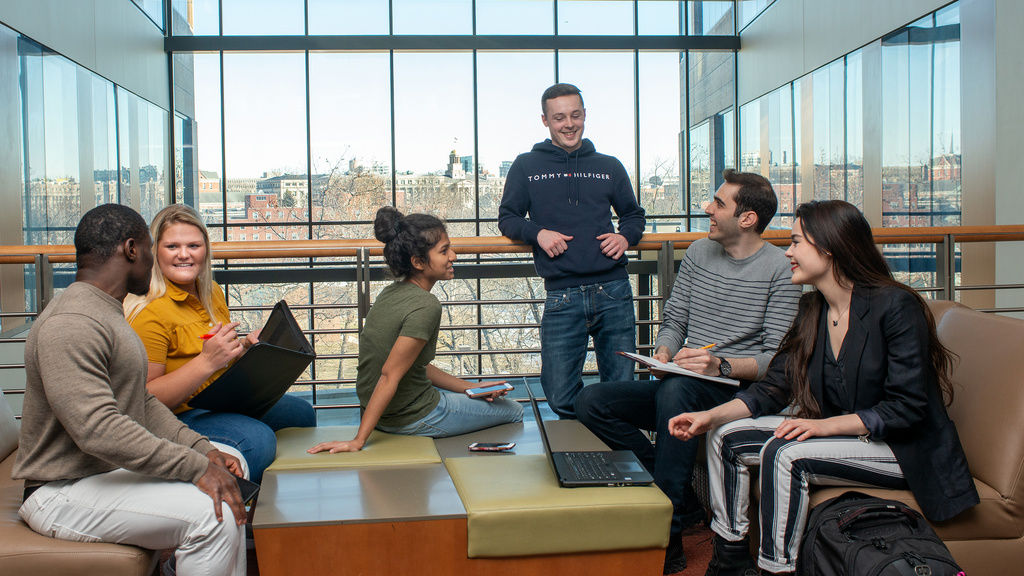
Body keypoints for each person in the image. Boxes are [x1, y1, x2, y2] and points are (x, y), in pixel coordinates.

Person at [668, 200, 979, 576]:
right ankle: (730, 561)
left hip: (904, 447)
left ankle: (776, 570)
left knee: (787, 455)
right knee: (725, 435)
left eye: (797, 242)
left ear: (828, 247)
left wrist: (823, 427)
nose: (788, 253)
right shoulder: (811, 311)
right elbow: (773, 388)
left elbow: (906, 408)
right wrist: (707, 417)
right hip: (848, 439)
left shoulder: (896, 306)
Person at [575, 170, 801, 574]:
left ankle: (669, 533)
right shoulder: (698, 252)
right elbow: (675, 319)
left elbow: (776, 359)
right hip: (681, 382)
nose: (707, 208)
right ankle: (683, 498)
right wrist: (664, 352)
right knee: (592, 401)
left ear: (747, 218)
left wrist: (720, 364)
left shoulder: (780, 269)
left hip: (735, 392)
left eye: (718, 203)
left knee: (676, 392)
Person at [14, 203, 248, 575]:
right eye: (152, 248)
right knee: (212, 513)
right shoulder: (72, 323)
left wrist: (202, 450)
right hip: (60, 491)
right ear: (131, 249)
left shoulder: (109, 311)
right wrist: (195, 467)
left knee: (232, 469)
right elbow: (99, 429)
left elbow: (141, 402)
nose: (155, 260)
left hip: (101, 474)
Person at [125, 204, 316, 484]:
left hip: (217, 400)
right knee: (258, 440)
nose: (184, 254)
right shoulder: (149, 312)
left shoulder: (211, 292)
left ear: (205, 249)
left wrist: (247, 351)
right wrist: (206, 362)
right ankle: (238, 502)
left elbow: (218, 359)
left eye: (193, 245)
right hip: (177, 417)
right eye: (172, 246)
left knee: (301, 413)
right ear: (155, 252)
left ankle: (276, 496)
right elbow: (145, 399)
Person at [308, 207, 523, 454]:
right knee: (514, 410)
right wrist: (358, 441)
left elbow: (408, 363)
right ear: (418, 262)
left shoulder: (391, 292)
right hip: (412, 416)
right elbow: (390, 375)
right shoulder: (426, 305)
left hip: (384, 414)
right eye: (444, 251)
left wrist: (470, 387)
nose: (453, 255)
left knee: (479, 399)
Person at [498, 82, 647, 419]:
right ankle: (589, 437)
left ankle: (615, 458)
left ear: (584, 115)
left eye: (575, 115)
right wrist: (538, 233)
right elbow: (507, 219)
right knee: (559, 391)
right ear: (545, 120)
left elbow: (633, 215)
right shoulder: (526, 165)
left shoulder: (609, 165)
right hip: (562, 294)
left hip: (614, 290)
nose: (569, 124)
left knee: (621, 385)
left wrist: (625, 238)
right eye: (559, 117)